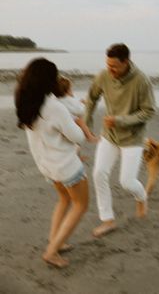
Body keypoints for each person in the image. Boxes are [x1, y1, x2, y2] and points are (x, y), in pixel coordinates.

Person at [15, 57, 93, 268]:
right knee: (81, 205)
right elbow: (77, 137)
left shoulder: (26, 103)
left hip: (46, 165)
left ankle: (57, 242)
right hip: (66, 165)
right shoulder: (54, 107)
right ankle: (51, 251)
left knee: (64, 201)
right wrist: (76, 122)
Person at [84, 43, 156, 237]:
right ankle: (107, 220)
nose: (110, 70)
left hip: (133, 137)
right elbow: (91, 98)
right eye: (108, 65)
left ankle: (141, 197)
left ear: (126, 62)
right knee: (99, 173)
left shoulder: (141, 81)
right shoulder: (104, 76)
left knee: (127, 181)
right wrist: (86, 122)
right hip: (110, 135)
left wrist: (121, 120)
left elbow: (149, 111)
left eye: (114, 66)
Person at [54, 75, 98, 144]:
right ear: (67, 91)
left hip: (63, 119)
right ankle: (89, 136)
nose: (72, 91)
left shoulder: (58, 99)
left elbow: (76, 102)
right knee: (81, 121)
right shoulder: (68, 99)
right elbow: (79, 110)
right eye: (70, 89)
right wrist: (84, 105)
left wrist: (80, 101)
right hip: (71, 119)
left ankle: (88, 133)